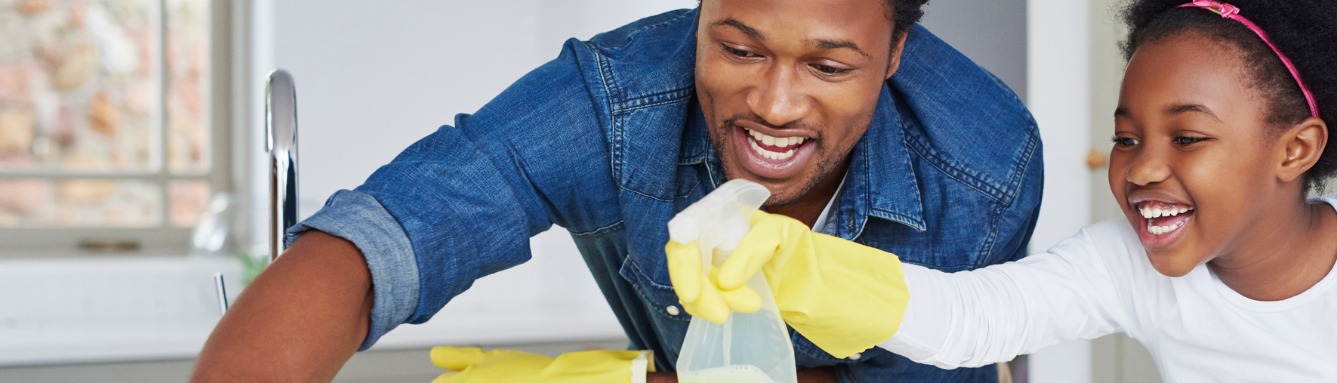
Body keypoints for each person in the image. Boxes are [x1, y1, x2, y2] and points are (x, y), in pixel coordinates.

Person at [677, 0, 1337, 381]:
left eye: (1187, 137)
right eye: (1126, 137)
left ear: (1297, 147)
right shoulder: (1132, 263)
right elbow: (970, 320)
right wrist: (798, 265)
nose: (1142, 167)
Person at [189, 0, 1044, 382]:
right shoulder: (617, 105)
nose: (775, 105)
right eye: (739, 49)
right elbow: (388, 237)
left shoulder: (984, 167)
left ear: (894, 55)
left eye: (827, 66)